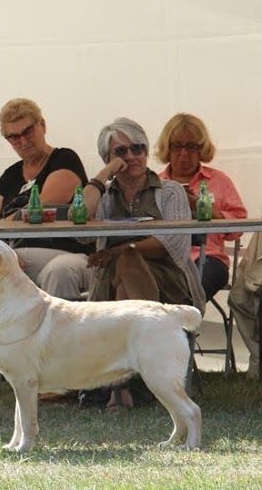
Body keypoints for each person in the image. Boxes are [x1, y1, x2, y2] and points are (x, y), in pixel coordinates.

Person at [80, 117, 205, 409]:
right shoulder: (105, 197)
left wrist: (118, 251)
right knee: (124, 268)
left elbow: (170, 244)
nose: (132, 156)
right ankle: (133, 384)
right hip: (112, 286)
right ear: (108, 159)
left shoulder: (170, 190)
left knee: (127, 259)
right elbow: (82, 221)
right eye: (120, 152)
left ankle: (118, 384)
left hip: (168, 283)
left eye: (138, 148)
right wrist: (104, 176)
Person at [0, 97, 92, 300]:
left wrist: (4, 236)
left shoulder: (65, 159)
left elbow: (37, 210)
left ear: (42, 125)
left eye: (28, 131)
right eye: (14, 137)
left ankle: (59, 332)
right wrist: (3, 251)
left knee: (59, 271)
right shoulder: (9, 175)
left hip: (66, 252)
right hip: (17, 255)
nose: (23, 141)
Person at [154, 113, 247, 300]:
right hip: (163, 258)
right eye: (177, 146)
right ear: (167, 148)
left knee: (189, 290)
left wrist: (203, 207)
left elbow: (238, 229)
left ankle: (181, 325)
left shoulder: (219, 180)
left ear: (201, 149)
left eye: (191, 146)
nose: (183, 154)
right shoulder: (155, 184)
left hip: (208, 259)